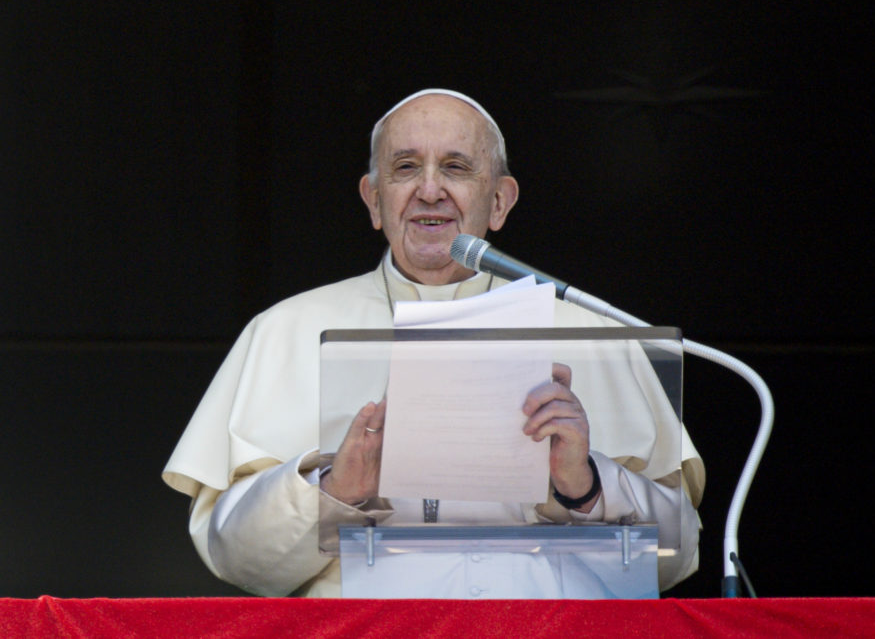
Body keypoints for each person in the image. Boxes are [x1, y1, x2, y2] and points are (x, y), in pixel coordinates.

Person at [163, 89, 705, 598]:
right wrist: (332, 489)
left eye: (456, 167)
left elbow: (676, 558)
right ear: (374, 201)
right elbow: (236, 558)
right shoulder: (286, 329)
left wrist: (584, 487)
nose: (429, 189)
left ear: (499, 201)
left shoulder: (591, 331)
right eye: (405, 168)